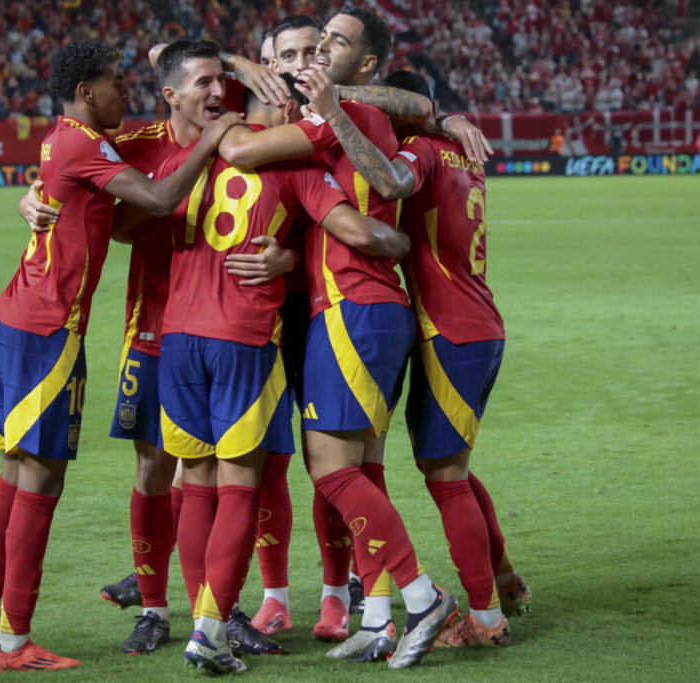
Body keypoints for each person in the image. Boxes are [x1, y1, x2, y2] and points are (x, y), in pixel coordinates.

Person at [0, 40, 241, 672]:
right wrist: (213, 139)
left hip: (17, 318)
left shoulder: (65, 138)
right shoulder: (86, 142)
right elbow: (158, 200)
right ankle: (12, 643)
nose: (126, 92)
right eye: (116, 81)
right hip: (48, 329)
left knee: (14, 472)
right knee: (41, 481)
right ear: (87, 91)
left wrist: (30, 196)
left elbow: (76, 193)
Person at [138, 51, 411, 674]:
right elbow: (356, 231)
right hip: (245, 338)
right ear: (287, 106)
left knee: (195, 483)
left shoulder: (185, 158)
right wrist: (398, 242)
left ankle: (201, 618)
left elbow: (138, 214)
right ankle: (212, 630)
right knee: (242, 486)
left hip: (177, 338)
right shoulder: (297, 168)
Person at [21, 40, 290, 659]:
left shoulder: (245, 136)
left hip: (231, 329)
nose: (218, 91)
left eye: (223, 81)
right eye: (205, 82)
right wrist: (32, 197)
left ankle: (218, 611)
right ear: (172, 94)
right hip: (154, 326)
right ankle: (153, 608)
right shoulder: (139, 142)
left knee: (228, 474)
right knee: (154, 469)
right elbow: (75, 183)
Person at [217, 6, 458, 669]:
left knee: (329, 467)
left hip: (352, 307)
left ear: (362, 65)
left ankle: (422, 595)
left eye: (328, 44)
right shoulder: (352, 116)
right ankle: (377, 618)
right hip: (366, 308)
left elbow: (239, 151)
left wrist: (230, 117)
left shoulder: (338, 116)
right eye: (310, 44)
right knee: (360, 468)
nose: (316, 53)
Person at [303, 66, 532, 649]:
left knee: (447, 480)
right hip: (476, 324)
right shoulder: (462, 154)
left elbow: (389, 183)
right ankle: (504, 580)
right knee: (453, 469)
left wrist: (337, 111)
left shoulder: (423, 151)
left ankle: (485, 620)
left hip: (447, 328)